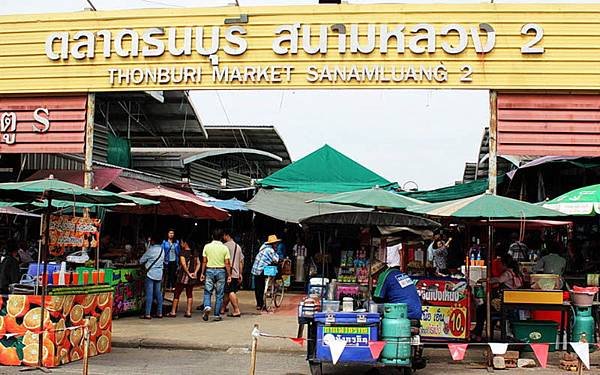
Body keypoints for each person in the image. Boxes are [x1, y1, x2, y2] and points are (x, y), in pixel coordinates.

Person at [471, 254, 523, 341]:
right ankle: (478, 331)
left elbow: (498, 279)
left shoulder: (508, 273)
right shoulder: (517, 273)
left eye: (501, 264)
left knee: (481, 309)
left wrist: (486, 280)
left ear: (505, 264)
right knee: (484, 309)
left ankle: (478, 332)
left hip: (504, 305)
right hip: (510, 304)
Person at [200, 229, 232, 322]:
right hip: (221, 271)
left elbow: (204, 261)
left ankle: (207, 306)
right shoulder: (224, 248)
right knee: (219, 295)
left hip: (209, 270)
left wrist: (202, 273)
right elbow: (227, 263)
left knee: (207, 292)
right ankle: (216, 315)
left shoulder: (207, 246)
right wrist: (229, 275)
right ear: (222, 237)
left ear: (212, 236)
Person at [167, 240, 200, 318]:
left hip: (182, 276)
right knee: (189, 293)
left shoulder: (182, 252)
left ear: (185, 243)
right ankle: (188, 312)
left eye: (181, 242)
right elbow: (198, 263)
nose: (181, 244)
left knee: (177, 293)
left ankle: (173, 311)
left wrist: (188, 273)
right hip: (192, 276)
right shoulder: (194, 252)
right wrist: (195, 273)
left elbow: (183, 265)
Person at [251, 235, 280, 310]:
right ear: (273, 244)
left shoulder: (263, 247)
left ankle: (259, 304)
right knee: (262, 286)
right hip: (261, 270)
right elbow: (276, 259)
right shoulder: (270, 250)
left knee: (258, 287)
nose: (276, 245)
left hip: (255, 269)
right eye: (275, 243)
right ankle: (262, 303)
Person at [139, 234, 165, 319]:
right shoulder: (162, 250)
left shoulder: (150, 250)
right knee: (158, 293)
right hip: (159, 274)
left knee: (149, 294)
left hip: (150, 273)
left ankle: (147, 313)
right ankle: (160, 312)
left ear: (153, 241)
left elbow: (141, 260)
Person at [220, 230, 244, 317]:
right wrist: (240, 273)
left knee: (230, 291)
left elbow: (224, 261)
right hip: (236, 273)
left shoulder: (224, 246)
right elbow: (241, 262)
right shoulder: (238, 247)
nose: (223, 237)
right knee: (227, 291)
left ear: (227, 235)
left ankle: (236, 310)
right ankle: (222, 308)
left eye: (223, 235)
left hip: (228, 273)